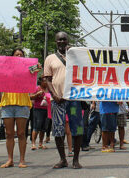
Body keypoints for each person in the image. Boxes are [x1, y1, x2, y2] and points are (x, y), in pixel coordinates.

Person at [44, 31, 83, 169]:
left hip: (73, 100)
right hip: (57, 100)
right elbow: (48, 79)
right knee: (58, 130)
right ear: (56, 42)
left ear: (68, 41)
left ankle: (76, 160)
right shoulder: (50, 58)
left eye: (64, 39)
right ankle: (62, 159)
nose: (61, 42)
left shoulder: (77, 56)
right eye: (59, 40)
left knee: (77, 129)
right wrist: (54, 95)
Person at [0, 49, 33, 168]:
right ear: (12, 57)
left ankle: (22, 160)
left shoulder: (28, 69)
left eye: (21, 55)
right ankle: (10, 159)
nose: (19, 56)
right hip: (7, 103)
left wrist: (37, 66)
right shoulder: (6, 69)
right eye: (16, 54)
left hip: (22, 103)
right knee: (9, 133)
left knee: (21, 133)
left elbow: (35, 70)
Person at [30, 76, 50, 151]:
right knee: (36, 126)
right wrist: (37, 94)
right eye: (45, 81)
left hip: (47, 109)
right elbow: (30, 97)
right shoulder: (37, 88)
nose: (46, 82)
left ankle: (40, 143)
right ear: (41, 82)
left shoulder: (48, 89)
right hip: (38, 109)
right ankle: (33, 143)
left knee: (44, 127)